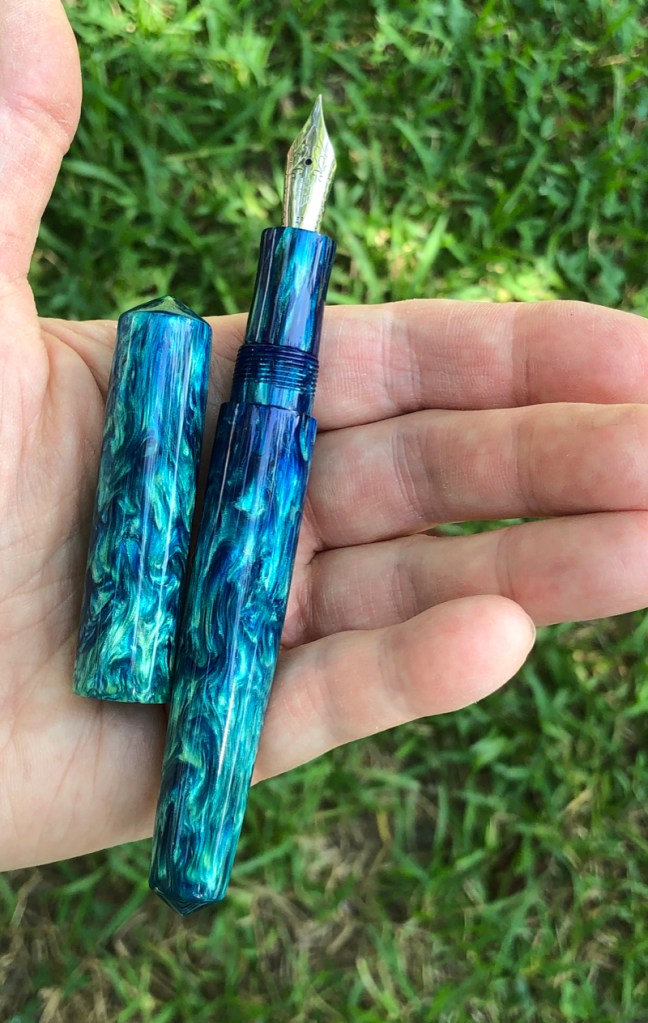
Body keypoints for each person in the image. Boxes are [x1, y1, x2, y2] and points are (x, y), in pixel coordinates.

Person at [2, 0, 648, 873]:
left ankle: (193, 852)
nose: (310, 162)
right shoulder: (186, 365)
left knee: (232, 606)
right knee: (216, 614)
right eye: (306, 167)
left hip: (263, 434)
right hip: (155, 582)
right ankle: (191, 853)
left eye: (311, 168)